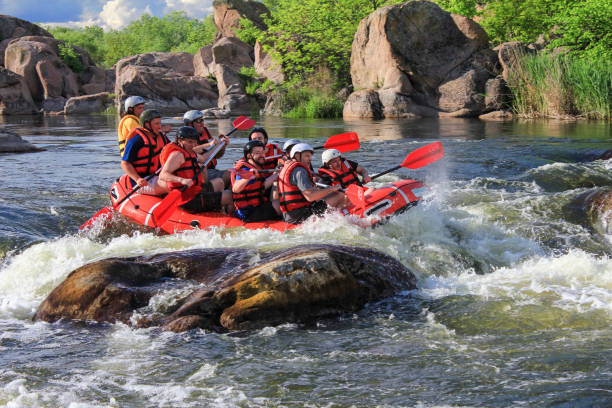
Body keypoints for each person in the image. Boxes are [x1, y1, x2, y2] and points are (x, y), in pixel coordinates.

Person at [158, 126, 232, 213]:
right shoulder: (177, 155)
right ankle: (230, 217)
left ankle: (219, 211)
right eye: (189, 142)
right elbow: (163, 175)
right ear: (180, 141)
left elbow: (204, 158)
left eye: (194, 142)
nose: (193, 145)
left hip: (195, 191)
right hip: (188, 199)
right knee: (230, 196)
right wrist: (182, 180)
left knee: (219, 182)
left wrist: (220, 145)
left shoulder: (190, 152)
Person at [277, 143, 349, 224]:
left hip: (290, 215)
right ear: (297, 155)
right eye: (307, 156)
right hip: (301, 216)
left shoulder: (287, 167)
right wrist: (331, 189)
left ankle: (333, 218)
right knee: (341, 196)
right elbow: (310, 196)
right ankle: (343, 220)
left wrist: (327, 192)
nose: (310, 159)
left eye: (310, 156)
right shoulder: (300, 171)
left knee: (330, 195)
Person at [120, 109, 170, 195]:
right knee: (171, 185)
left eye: (160, 123)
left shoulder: (162, 138)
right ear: (147, 124)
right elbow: (125, 164)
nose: (160, 127)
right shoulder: (136, 141)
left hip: (157, 176)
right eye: (156, 124)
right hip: (142, 181)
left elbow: (175, 150)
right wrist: (137, 179)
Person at [231, 140, 282, 222]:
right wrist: (247, 177)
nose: (262, 155)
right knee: (282, 203)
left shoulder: (256, 167)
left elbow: (262, 185)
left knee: (277, 188)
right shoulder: (244, 169)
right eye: (258, 153)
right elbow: (236, 189)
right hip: (248, 214)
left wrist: (277, 173)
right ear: (249, 156)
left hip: (257, 207)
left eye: (262, 152)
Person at [183, 110, 230, 189]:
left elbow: (217, 155)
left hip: (210, 170)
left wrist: (222, 146)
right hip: (197, 172)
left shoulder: (205, 131)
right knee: (229, 175)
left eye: (202, 120)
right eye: (198, 121)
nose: (202, 123)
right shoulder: (184, 136)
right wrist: (210, 145)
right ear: (189, 124)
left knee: (233, 174)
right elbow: (190, 151)